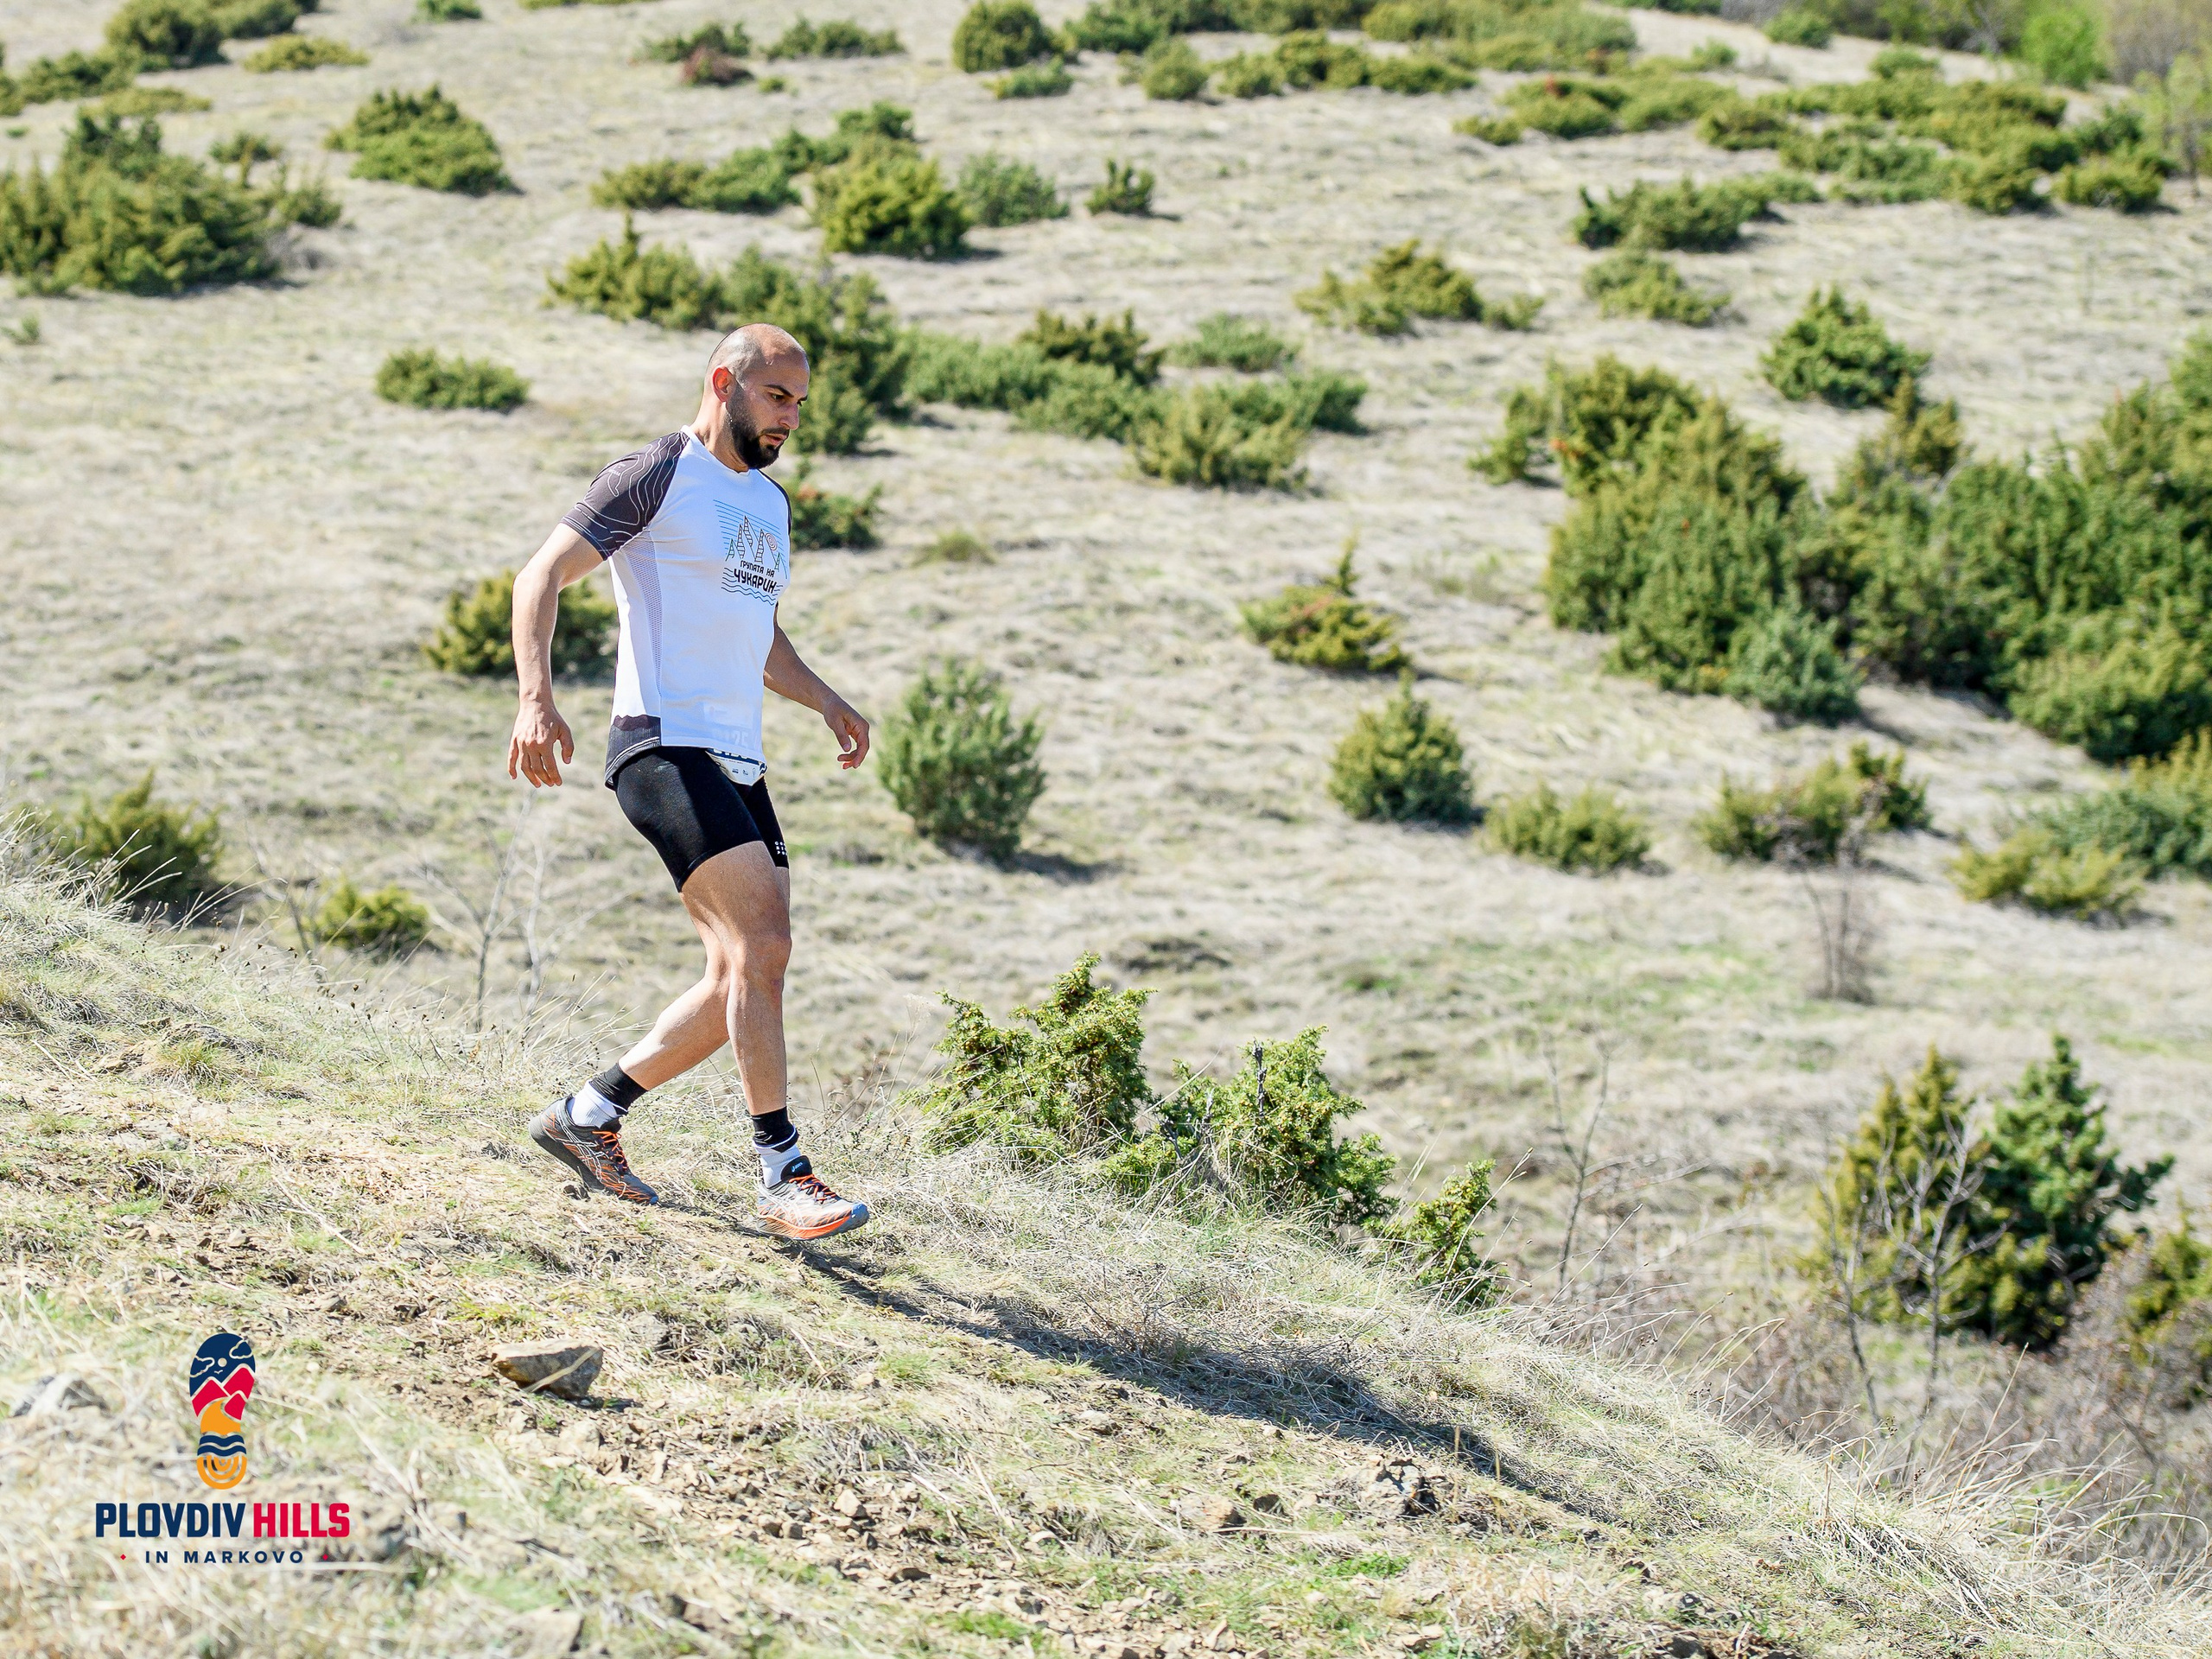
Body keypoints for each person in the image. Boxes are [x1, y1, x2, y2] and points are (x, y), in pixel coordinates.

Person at [505, 322, 872, 1241]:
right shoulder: (656, 473)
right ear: (726, 382)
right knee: (765, 943)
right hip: (660, 744)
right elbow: (541, 576)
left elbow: (759, 637)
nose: (791, 416)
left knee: (743, 971)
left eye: (799, 400)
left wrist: (825, 700)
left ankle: (589, 1114)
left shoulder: (771, 506)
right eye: (777, 396)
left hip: (736, 756)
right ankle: (782, 1171)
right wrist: (534, 699)